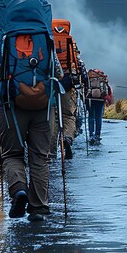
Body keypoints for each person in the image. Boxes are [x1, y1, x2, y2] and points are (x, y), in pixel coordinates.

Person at [0, 0, 72, 222]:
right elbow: (58, 75)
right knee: (40, 157)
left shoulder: (5, 43)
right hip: (43, 108)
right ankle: (39, 207)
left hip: (11, 107)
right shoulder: (45, 43)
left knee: (12, 154)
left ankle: (19, 190)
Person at [52, 19, 83, 159]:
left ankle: (51, 150)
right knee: (68, 115)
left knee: (53, 115)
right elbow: (78, 64)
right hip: (68, 81)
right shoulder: (70, 42)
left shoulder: (47, 40)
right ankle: (67, 138)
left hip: (51, 81)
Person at [86, 68, 112, 145]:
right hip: (100, 99)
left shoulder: (88, 78)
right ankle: (97, 135)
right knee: (98, 117)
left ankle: (91, 135)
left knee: (91, 116)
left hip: (89, 99)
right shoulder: (102, 79)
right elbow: (108, 90)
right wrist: (107, 99)